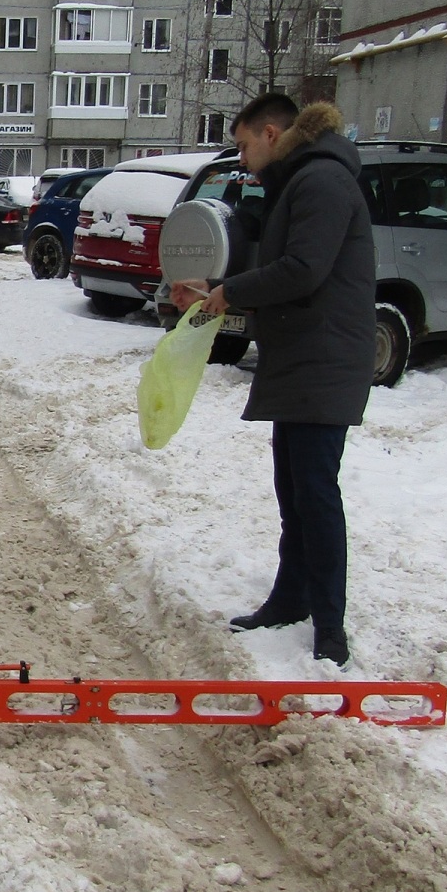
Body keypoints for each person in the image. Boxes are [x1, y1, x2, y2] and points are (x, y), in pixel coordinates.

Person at [171, 95, 374, 665]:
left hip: (325, 359)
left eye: (242, 145)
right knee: (295, 490)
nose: (242, 158)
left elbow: (305, 270)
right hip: (302, 356)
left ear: (270, 132)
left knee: (315, 492)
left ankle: (330, 626)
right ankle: (292, 598)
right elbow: (282, 272)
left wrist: (229, 292)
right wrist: (214, 292)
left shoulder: (322, 182)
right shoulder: (302, 180)